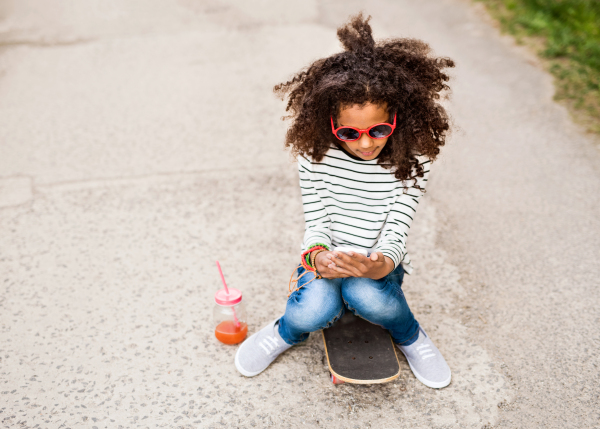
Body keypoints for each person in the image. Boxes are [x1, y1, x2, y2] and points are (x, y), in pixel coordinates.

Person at [235, 13, 454, 389]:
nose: (366, 143)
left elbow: (399, 224)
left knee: (368, 295)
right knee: (315, 310)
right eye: (350, 132)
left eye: (380, 129)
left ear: (397, 118)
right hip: (327, 259)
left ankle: (409, 334)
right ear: (330, 123)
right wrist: (318, 257)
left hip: (380, 261)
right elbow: (316, 220)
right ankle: (286, 331)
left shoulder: (415, 157)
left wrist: (380, 265)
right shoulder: (315, 156)